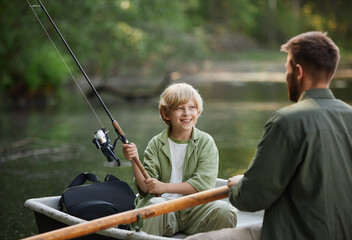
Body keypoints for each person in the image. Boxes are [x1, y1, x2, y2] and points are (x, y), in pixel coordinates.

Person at [187, 31, 352, 240]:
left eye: (287, 68)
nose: (286, 76)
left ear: (298, 71)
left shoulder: (287, 121)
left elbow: (252, 199)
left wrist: (239, 186)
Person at [122, 82, 237, 237]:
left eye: (191, 107)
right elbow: (145, 188)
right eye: (179, 108)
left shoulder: (206, 142)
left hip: (195, 210)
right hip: (165, 211)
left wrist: (164, 187)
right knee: (155, 205)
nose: (186, 113)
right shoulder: (156, 143)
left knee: (226, 211)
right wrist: (134, 159)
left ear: (198, 111)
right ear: (166, 114)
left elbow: (202, 185)